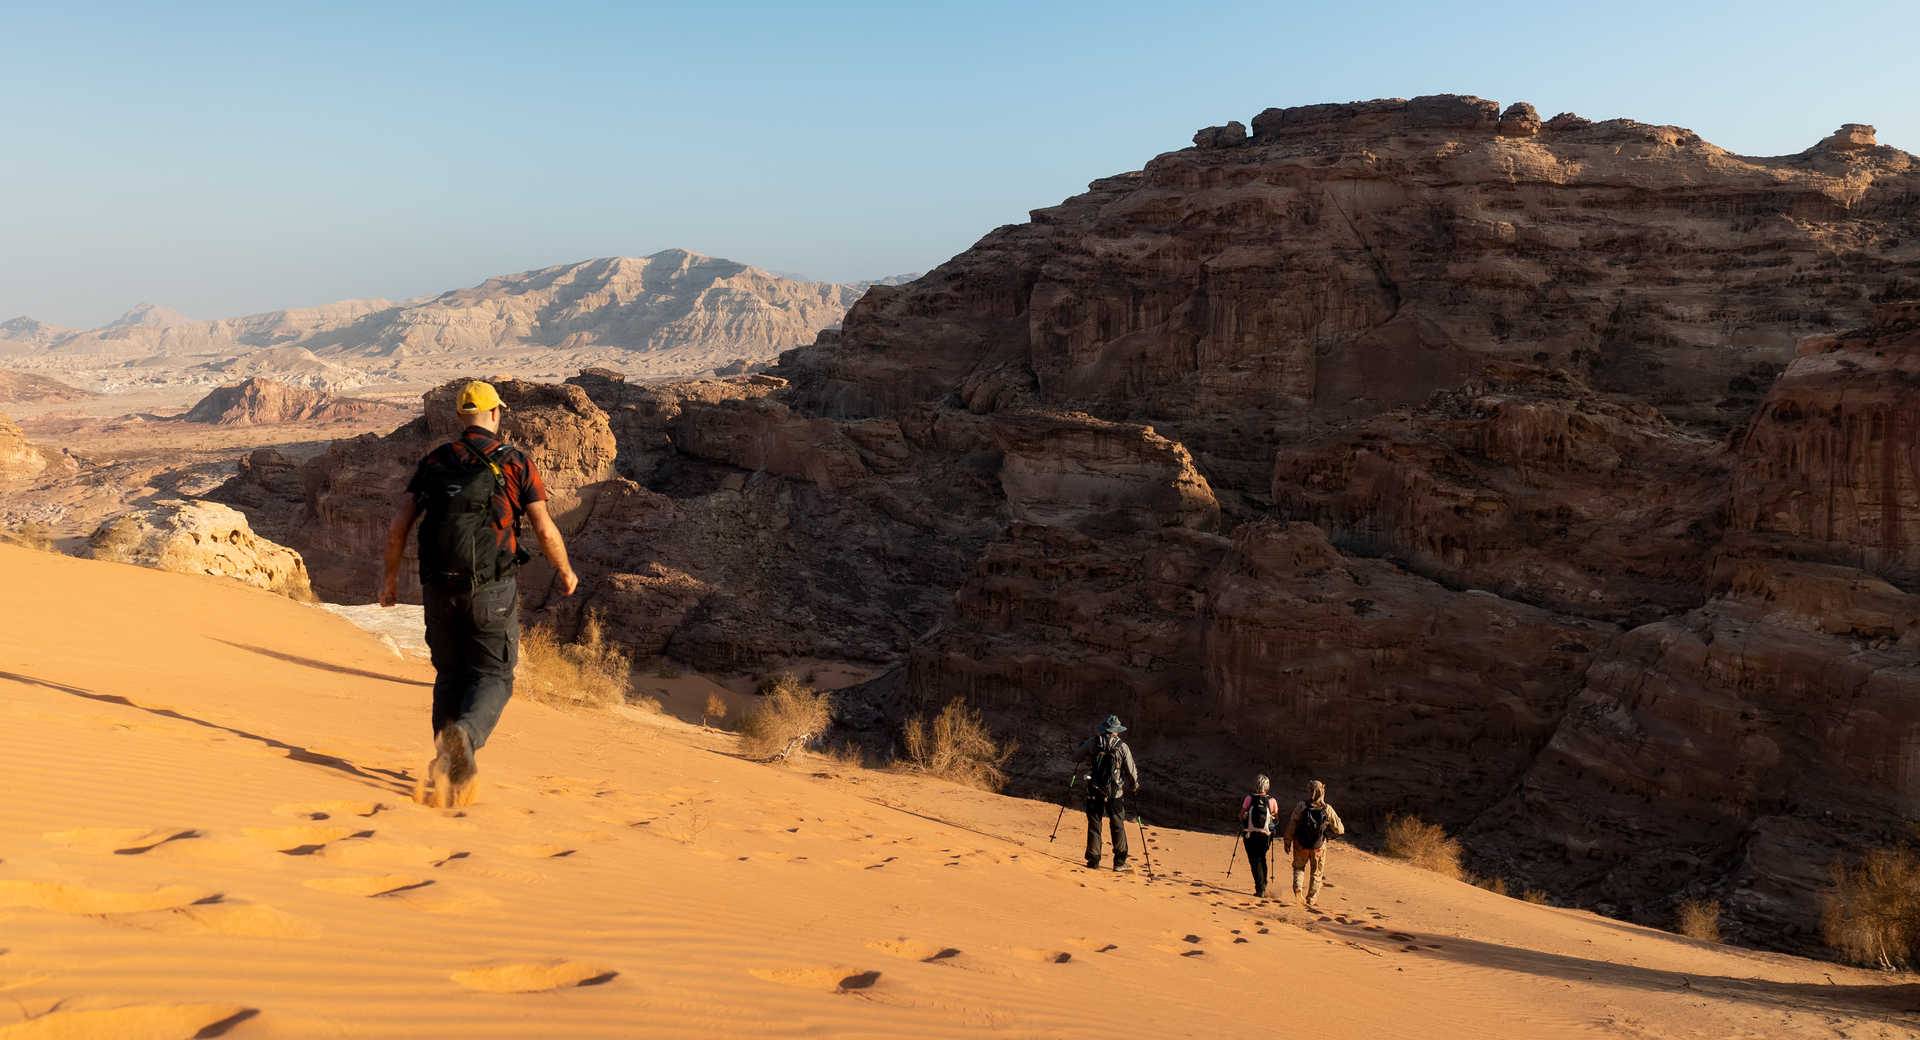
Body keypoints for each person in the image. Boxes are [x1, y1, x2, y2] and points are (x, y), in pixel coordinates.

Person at [380, 379, 579, 807]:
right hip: (491, 590)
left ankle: (447, 768)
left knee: (449, 676)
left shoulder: (435, 461)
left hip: (437, 588)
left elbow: (398, 527)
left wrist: (391, 580)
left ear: (459, 416)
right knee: (493, 676)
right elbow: (543, 527)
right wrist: (564, 571)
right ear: (495, 414)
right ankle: (465, 736)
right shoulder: (513, 462)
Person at [1074, 714, 1140, 871]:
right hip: (1115, 793)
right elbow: (1131, 770)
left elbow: (1075, 757)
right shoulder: (1122, 747)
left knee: (1094, 824)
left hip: (1094, 790)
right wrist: (1134, 785)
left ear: (1104, 729)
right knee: (1117, 825)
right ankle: (1119, 862)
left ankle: (1093, 860)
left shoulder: (1093, 743)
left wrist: (1084, 749)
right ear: (1117, 730)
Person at [1283, 779, 1345, 906]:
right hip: (1318, 846)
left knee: (1299, 867)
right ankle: (1311, 899)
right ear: (1322, 791)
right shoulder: (1327, 809)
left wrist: (1287, 840)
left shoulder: (1301, 806)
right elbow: (1340, 829)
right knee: (1316, 873)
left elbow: (1292, 824)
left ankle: (1298, 888)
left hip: (1300, 844)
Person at [1238, 774, 1281, 898]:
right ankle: (1264, 884)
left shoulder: (1249, 798)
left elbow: (1240, 815)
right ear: (1267, 786)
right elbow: (1276, 819)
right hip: (1265, 836)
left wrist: (1245, 819)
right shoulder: (1272, 801)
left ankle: (1260, 888)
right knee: (1261, 858)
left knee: (1254, 860)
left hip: (1250, 834)